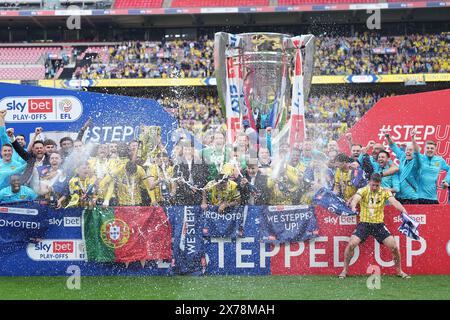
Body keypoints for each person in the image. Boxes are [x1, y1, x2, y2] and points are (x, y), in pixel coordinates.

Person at [339, 173, 410, 279]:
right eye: (373, 185)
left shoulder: (385, 192)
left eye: (377, 185)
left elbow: (394, 202)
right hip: (364, 224)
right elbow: (356, 199)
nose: (374, 187)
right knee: (351, 244)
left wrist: (403, 210)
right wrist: (353, 206)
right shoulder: (363, 190)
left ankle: (399, 271)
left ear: (380, 184)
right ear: (369, 182)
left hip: (379, 225)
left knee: (394, 247)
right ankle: (344, 270)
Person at [412, 132, 450, 204]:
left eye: (432, 148)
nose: (430, 150)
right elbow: (416, 151)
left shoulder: (440, 160)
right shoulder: (420, 157)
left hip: (433, 198)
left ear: (435, 149)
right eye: (428, 148)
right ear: (424, 149)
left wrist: (446, 181)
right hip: (419, 197)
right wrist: (413, 139)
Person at [385, 132, 420, 204]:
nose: (408, 151)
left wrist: (413, 139)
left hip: (412, 198)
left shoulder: (417, 163)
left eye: (410, 150)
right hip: (399, 197)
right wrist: (388, 137)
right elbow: (393, 146)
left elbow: (417, 152)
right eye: (407, 150)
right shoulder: (403, 157)